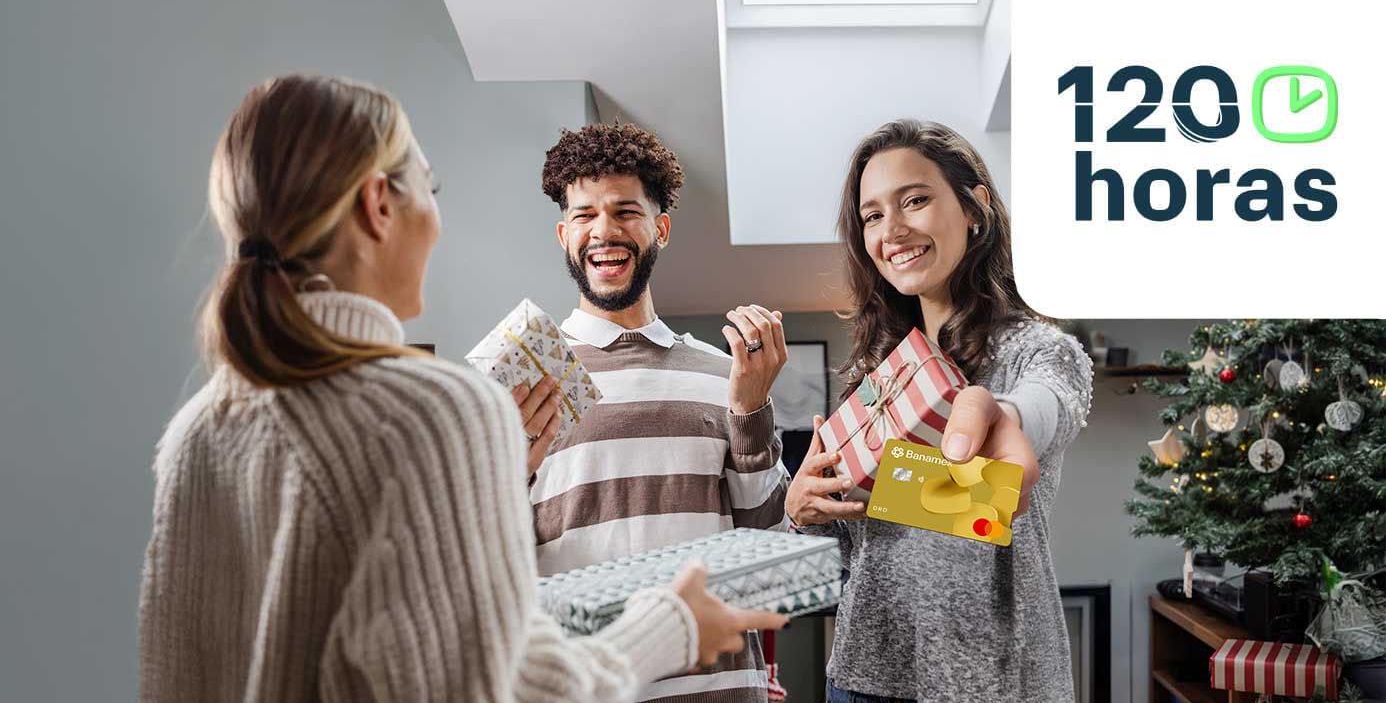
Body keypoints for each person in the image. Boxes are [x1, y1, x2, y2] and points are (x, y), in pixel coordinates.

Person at [136, 74, 785, 703]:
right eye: (432, 185)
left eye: (623, 212)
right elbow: (498, 687)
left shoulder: (196, 431)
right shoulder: (441, 409)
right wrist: (670, 626)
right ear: (377, 204)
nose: (438, 219)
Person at [787, 119, 1093, 702]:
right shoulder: (874, 378)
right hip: (865, 676)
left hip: (993, 678)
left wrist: (1001, 413)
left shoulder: (1037, 350)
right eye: (872, 215)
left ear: (975, 208)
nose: (892, 229)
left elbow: (1040, 415)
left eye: (916, 200)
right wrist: (806, 509)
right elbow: (859, 543)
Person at [514, 122, 790, 702]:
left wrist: (751, 408)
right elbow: (485, 563)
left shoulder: (724, 371)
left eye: (625, 211)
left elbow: (768, 541)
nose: (604, 231)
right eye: (584, 215)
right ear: (564, 234)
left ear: (660, 227)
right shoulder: (526, 378)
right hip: (586, 686)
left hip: (722, 689)